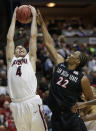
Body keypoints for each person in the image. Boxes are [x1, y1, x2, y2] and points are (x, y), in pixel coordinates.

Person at [37, 10, 95, 131]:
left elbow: (93, 100)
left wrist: (82, 104)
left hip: (72, 118)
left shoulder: (82, 78)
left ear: (78, 61)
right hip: (56, 116)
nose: (71, 53)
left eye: (75, 54)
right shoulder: (59, 63)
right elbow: (49, 44)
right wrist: (42, 24)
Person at [6, 6, 48, 131]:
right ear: (14, 53)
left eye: (22, 48)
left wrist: (34, 17)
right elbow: (9, 39)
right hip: (16, 104)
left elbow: (33, 37)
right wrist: (13, 18)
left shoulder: (31, 59)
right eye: (17, 48)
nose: (20, 48)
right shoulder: (11, 61)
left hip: (31, 101)